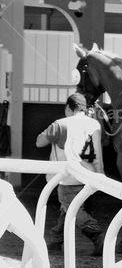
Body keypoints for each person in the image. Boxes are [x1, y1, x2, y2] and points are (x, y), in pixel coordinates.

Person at [36, 93, 105, 255]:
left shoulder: (59, 124)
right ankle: (56, 240)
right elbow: (98, 153)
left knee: (72, 207)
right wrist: (100, 174)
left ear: (68, 108)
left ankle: (97, 235)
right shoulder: (94, 124)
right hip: (89, 174)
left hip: (67, 176)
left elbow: (39, 142)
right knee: (67, 206)